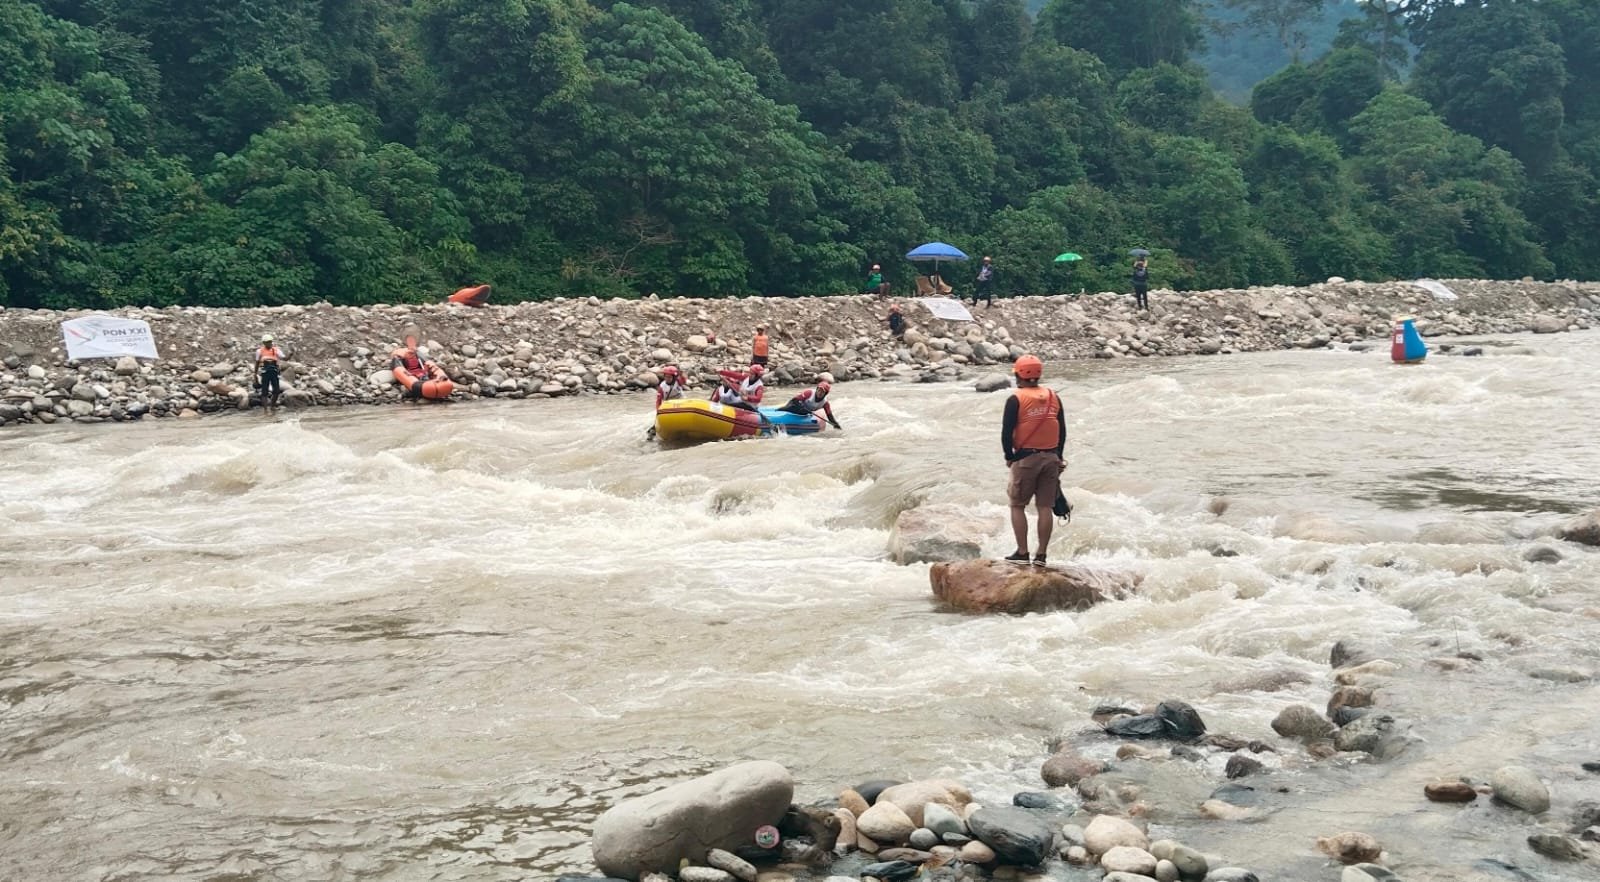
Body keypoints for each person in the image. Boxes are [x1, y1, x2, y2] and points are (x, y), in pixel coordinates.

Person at [1001, 354, 1066, 566]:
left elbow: (1006, 432)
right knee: (1044, 507)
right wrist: (1059, 456)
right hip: (1051, 457)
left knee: (1017, 505)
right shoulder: (1053, 396)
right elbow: (1062, 430)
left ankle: (1022, 552)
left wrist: (1009, 457)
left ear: (1019, 374)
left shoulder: (1015, 399)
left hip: (1026, 458)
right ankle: (1041, 555)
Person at [254, 334, 286, 407]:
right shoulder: (259, 351)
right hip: (265, 373)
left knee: (276, 391)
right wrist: (255, 374)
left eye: (271, 341)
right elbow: (257, 362)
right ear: (264, 343)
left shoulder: (276, 350)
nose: (270, 343)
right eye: (268, 342)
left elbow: (284, 358)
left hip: (274, 372)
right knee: (264, 391)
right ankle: (266, 410)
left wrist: (291, 354)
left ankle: (272, 406)